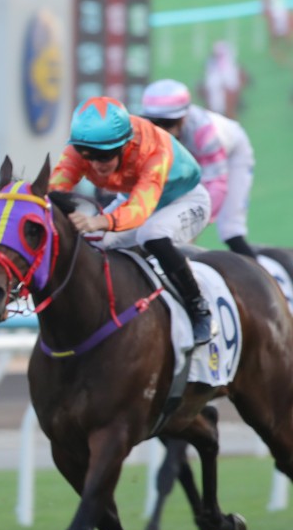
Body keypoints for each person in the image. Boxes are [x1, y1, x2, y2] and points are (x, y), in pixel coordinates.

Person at [50, 97, 214, 346]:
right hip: (133, 198)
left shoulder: (154, 150)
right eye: (87, 155)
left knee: (151, 234)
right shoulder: (80, 148)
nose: (95, 164)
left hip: (184, 199)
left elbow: (140, 211)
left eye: (104, 155)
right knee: (93, 243)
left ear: (125, 145)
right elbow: (53, 191)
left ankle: (198, 307)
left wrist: (100, 222)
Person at [141, 78, 258, 259]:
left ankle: (266, 281)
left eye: (168, 124)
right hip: (192, 158)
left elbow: (216, 187)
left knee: (230, 230)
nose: (162, 131)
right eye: (156, 123)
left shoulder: (205, 134)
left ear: (183, 118)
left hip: (231, 154)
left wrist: (193, 228)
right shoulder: (144, 132)